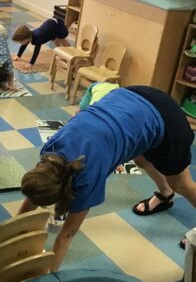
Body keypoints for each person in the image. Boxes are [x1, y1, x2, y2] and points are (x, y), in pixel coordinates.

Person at [18, 86, 195, 270]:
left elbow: (67, 235)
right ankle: (165, 194)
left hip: (166, 120)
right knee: (141, 159)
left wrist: (48, 275)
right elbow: (34, 194)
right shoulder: (50, 154)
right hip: (131, 98)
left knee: (181, 184)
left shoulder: (87, 179)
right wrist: (13, 234)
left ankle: (172, 191)